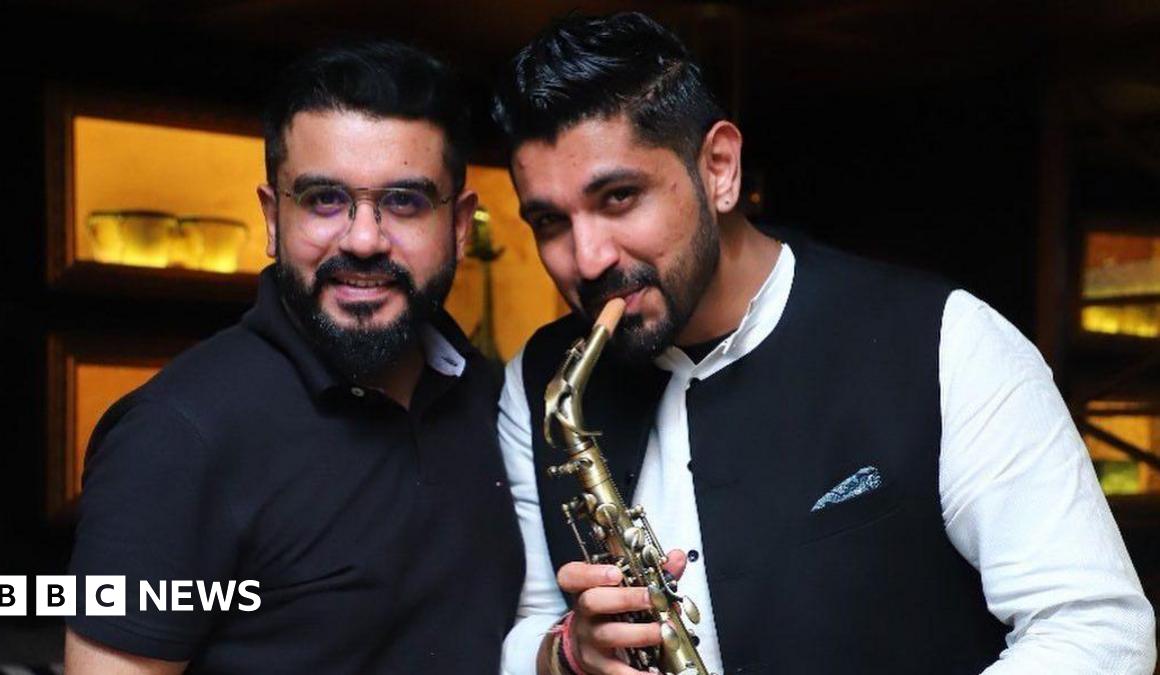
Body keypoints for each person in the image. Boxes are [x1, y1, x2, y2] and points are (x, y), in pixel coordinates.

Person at [492, 12, 1155, 675]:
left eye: (618, 197)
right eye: (550, 220)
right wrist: (565, 653)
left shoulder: (948, 339)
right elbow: (526, 625)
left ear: (719, 168)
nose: (587, 257)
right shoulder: (542, 381)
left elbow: (1100, 631)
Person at [64, 42, 524, 674]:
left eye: (405, 202)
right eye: (324, 200)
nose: (364, 239)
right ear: (273, 217)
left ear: (462, 225)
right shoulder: (175, 436)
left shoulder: (502, 407)